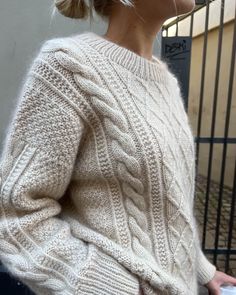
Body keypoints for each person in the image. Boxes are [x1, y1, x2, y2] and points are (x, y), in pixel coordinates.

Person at [0, 0, 236, 294]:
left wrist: (202, 269)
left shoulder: (166, 80)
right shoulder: (68, 67)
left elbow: (168, 203)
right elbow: (14, 216)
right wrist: (108, 285)